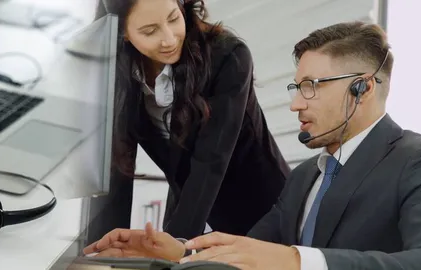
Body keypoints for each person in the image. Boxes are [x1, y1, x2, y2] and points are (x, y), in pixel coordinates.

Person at [82, 21, 421, 270]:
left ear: (363, 88)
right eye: (296, 88)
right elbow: (245, 254)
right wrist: (179, 253)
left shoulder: (420, 161)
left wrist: (294, 260)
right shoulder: (302, 180)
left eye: (312, 85)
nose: (296, 104)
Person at [86, 0, 290, 244]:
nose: (170, 39)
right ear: (122, 33)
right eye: (150, 31)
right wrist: (102, 247)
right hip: (187, 204)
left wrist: (176, 242)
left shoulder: (227, 56)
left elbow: (211, 161)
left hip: (260, 205)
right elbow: (117, 164)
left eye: (174, 18)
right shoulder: (117, 73)